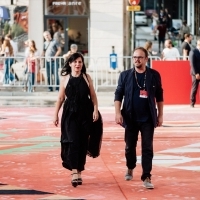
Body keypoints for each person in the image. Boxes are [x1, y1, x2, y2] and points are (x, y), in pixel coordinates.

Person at [114, 47, 164, 189]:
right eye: (134, 57)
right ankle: (130, 166)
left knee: (147, 148)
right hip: (130, 117)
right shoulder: (125, 75)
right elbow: (118, 95)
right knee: (130, 147)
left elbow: (159, 95)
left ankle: (146, 176)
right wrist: (118, 113)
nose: (137, 60)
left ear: (146, 59)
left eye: (140, 57)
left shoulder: (154, 75)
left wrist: (160, 114)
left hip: (148, 118)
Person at [53, 52, 102, 187]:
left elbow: (93, 96)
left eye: (80, 62)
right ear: (70, 64)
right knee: (73, 141)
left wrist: (95, 109)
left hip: (85, 113)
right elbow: (60, 98)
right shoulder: (65, 78)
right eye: (75, 62)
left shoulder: (87, 77)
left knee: (82, 143)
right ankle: (74, 171)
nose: (78, 64)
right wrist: (55, 114)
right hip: (70, 114)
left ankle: (79, 170)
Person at [188, 39, 200, 108]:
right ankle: (192, 102)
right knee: (194, 87)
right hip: (196, 73)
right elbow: (192, 64)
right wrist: (196, 73)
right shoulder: (193, 51)